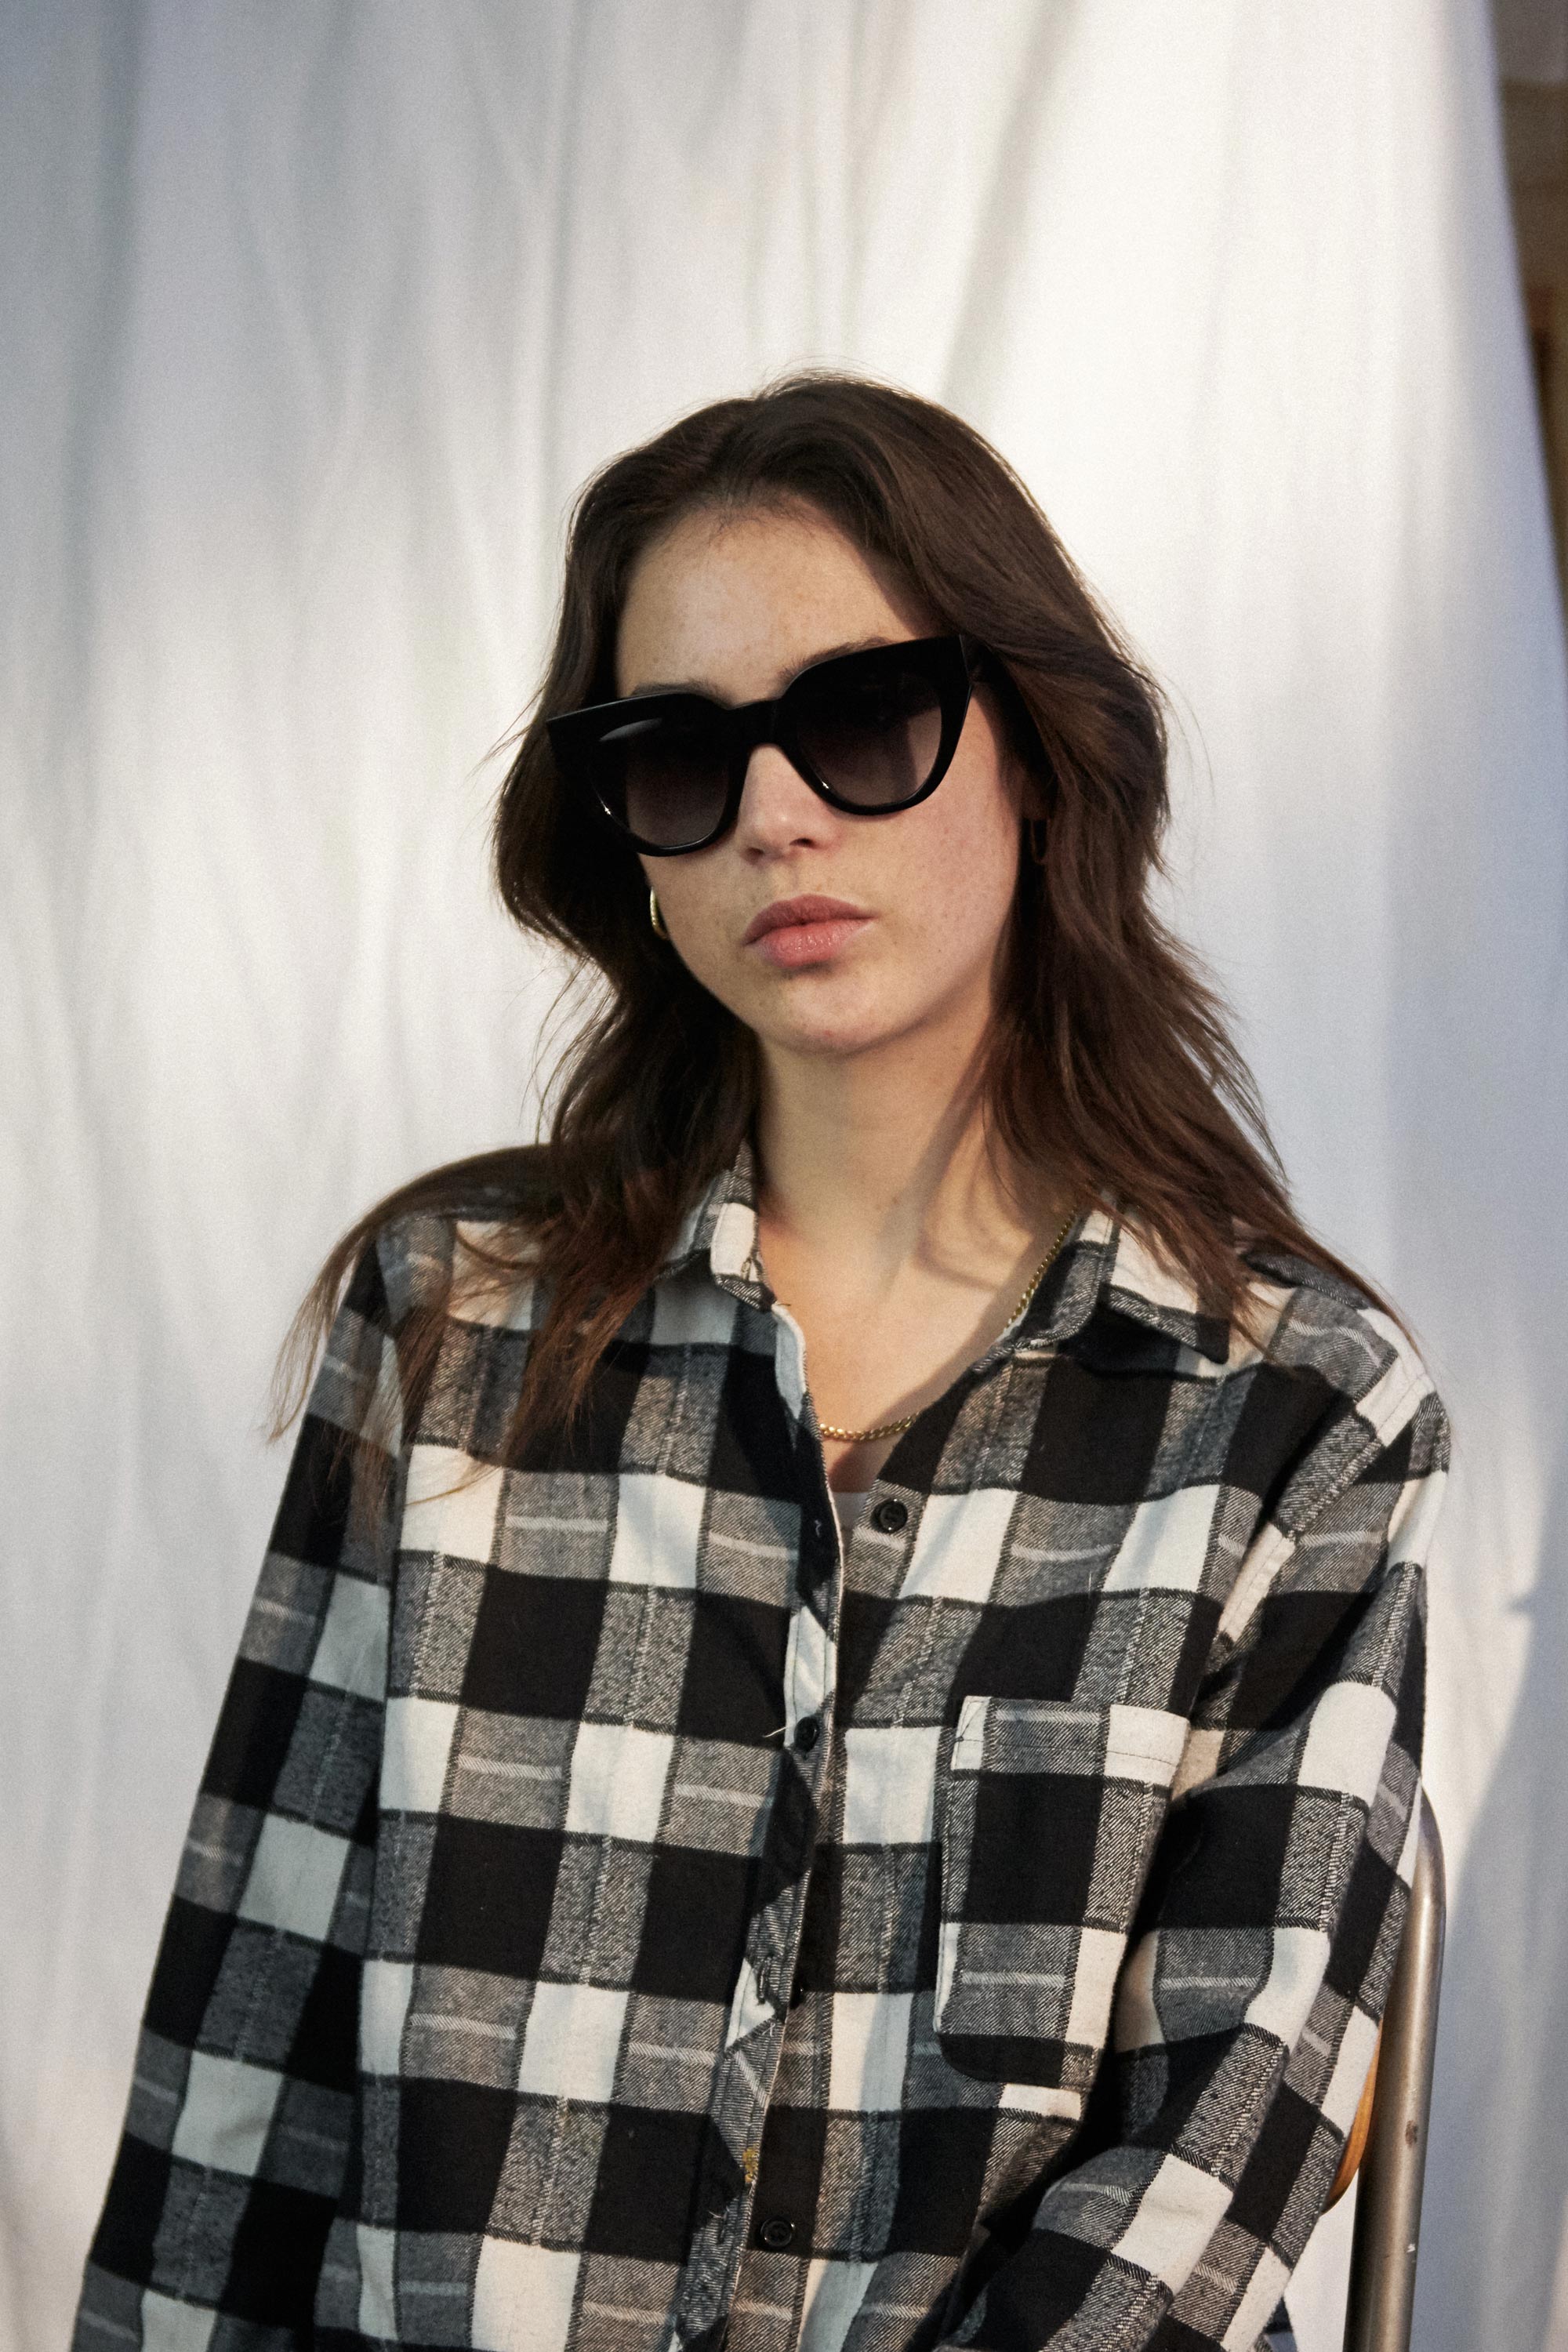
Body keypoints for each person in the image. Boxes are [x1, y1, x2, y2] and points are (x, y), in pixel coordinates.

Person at [73, 372, 1450, 2352]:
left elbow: (1216, 2154)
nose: (774, 815)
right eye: (678, 757)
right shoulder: (450, 1331)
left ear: (1036, 750)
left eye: (862, 718)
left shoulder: (1297, 1417)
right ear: (625, 842)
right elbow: (246, 2043)